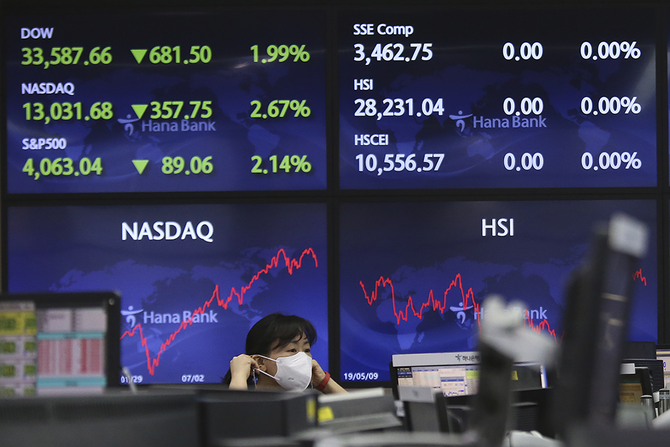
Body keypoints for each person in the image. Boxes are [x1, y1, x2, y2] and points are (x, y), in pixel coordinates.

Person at [224, 313, 346, 393]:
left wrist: (324, 382)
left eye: (306, 350)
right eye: (292, 350)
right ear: (260, 362)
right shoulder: (250, 403)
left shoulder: (308, 404)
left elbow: (359, 415)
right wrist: (239, 376)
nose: (303, 357)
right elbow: (234, 420)